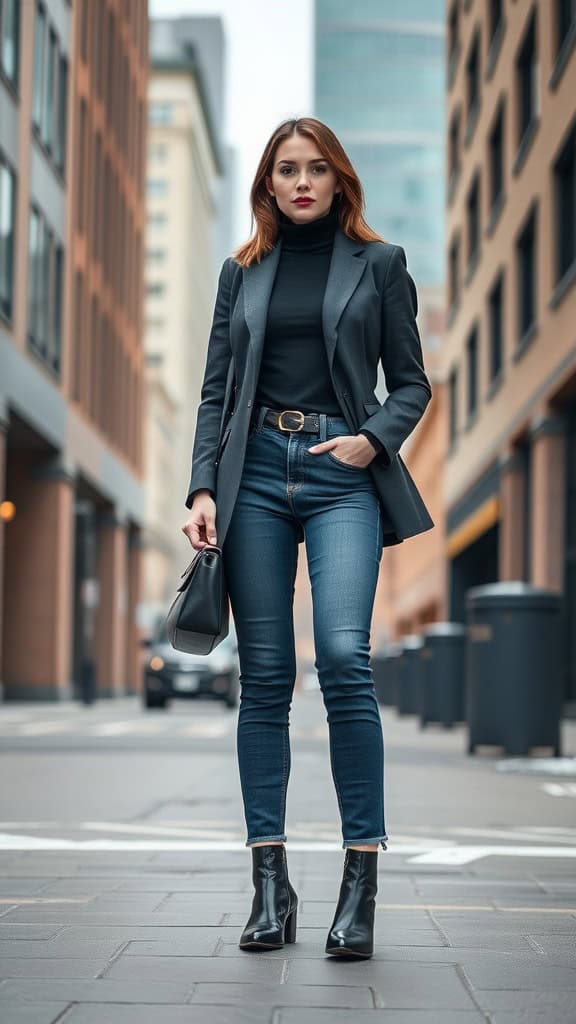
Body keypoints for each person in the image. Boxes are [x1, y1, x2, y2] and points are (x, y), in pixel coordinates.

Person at [182, 117, 433, 959]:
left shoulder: (382, 264)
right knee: (265, 677)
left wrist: (374, 438)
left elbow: (412, 382)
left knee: (345, 658)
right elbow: (215, 392)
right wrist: (203, 485)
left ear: (338, 181)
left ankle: (360, 885)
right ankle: (269, 884)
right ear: (268, 183)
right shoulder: (242, 272)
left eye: (316, 169)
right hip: (252, 472)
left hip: (340, 472)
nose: (300, 182)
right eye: (286, 169)